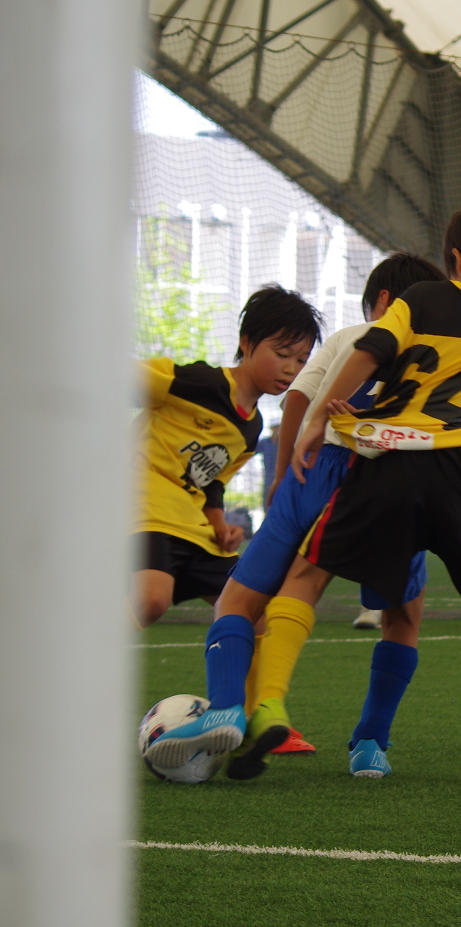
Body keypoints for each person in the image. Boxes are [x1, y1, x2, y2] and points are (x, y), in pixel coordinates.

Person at [270, 206, 461, 789]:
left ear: (457, 258)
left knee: (308, 573)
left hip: (392, 463)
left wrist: (321, 417)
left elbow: (369, 353)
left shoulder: (424, 300)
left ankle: (268, 706)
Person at [208, 253, 445, 779]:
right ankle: (370, 743)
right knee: (402, 618)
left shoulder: (352, 337)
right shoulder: (443, 353)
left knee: (241, 598)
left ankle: (229, 709)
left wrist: (284, 474)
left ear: (383, 300)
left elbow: (299, 398)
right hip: (398, 481)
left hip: (318, 467)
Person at [135, 286, 323, 774]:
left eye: (301, 360)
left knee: (254, 612)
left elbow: (212, 480)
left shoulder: (251, 426)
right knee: (152, 600)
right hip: (143, 507)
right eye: (282, 353)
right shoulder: (198, 381)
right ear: (246, 342)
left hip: (193, 527)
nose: (291, 368)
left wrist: (219, 525)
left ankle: (251, 723)